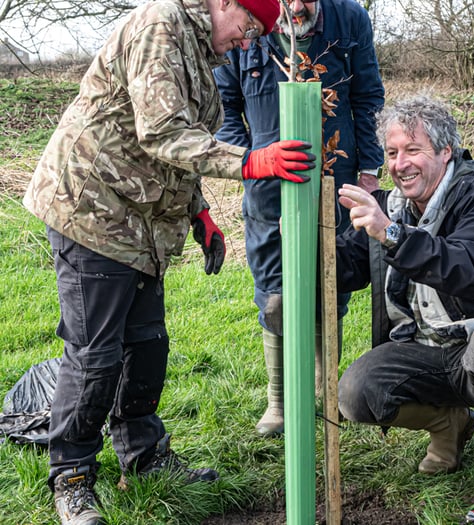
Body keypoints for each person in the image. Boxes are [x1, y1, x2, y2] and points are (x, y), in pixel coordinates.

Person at [21, 0, 316, 523]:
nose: (248, 41)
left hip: (141, 222)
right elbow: (160, 131)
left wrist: (199, 211)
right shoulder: (161, 26)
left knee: (147, 344)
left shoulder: (201, 49)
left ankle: (144, 458)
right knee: (95, 355)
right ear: (227, 3)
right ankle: (71, 477)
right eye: (250, 26)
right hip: (93, 209)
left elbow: (182, 142)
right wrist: (250, 161)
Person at [334, 94, 474, 525]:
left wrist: (392, 235)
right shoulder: (392, 205)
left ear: (445, 152)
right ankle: (450, 425)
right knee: (357, 393)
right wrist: (306, 241)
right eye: (392, 153)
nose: (400, 164)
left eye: (413, 150)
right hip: (427, 348)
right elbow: (349, 268)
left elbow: (466, 269)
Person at [213, 0, 385, 437]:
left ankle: (327, 393)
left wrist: (369, 168)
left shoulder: (350, 18)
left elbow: (367, 96)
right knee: (275, 291)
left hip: (337, 174)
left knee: (334, 281)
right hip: (267, 181)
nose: (295, 6)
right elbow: (224, 107)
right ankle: (281, 400)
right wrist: (246, 161)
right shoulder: (243, 22)